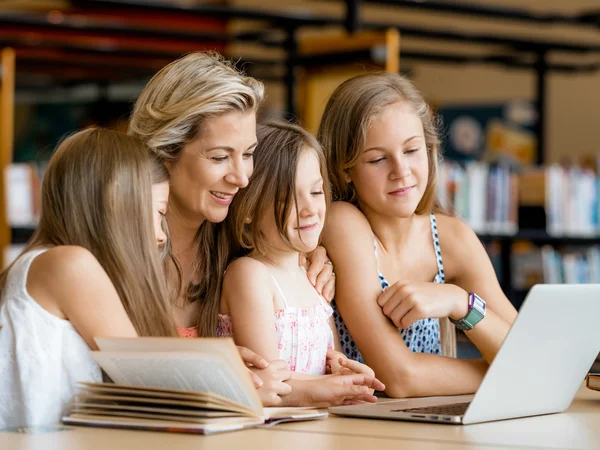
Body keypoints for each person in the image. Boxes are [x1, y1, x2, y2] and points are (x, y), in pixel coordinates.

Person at [128, 52, 335, 405]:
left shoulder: (235, 240)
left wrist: (313, 252)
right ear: (165, 153)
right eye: (220, 157)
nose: (241, 178)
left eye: (248, 153)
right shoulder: (124, 249)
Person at [317, 72, 518, 398]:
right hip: (359, 428)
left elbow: (528, 348)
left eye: (411, 151)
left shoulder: (452, 237)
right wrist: (506, 374)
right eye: (378, 159)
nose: (401, 171)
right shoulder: (344, 223)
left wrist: (459, 302)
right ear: (345, 170)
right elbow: (400, 377)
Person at [0, 128, 176, 428]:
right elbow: (152, 383)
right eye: (159, 213)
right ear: (117, 205)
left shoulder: (43, 264)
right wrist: (231, 377)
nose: (161, 236)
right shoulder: (68, 264)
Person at [220, 122, 384, 406]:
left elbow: (329, 361)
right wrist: (333, 386)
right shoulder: (249, 274)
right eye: (289, 198)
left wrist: (347, 372)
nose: (310, 209)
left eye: (317, 192)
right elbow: (270, 381)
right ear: (248, 210)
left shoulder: (313, 275)